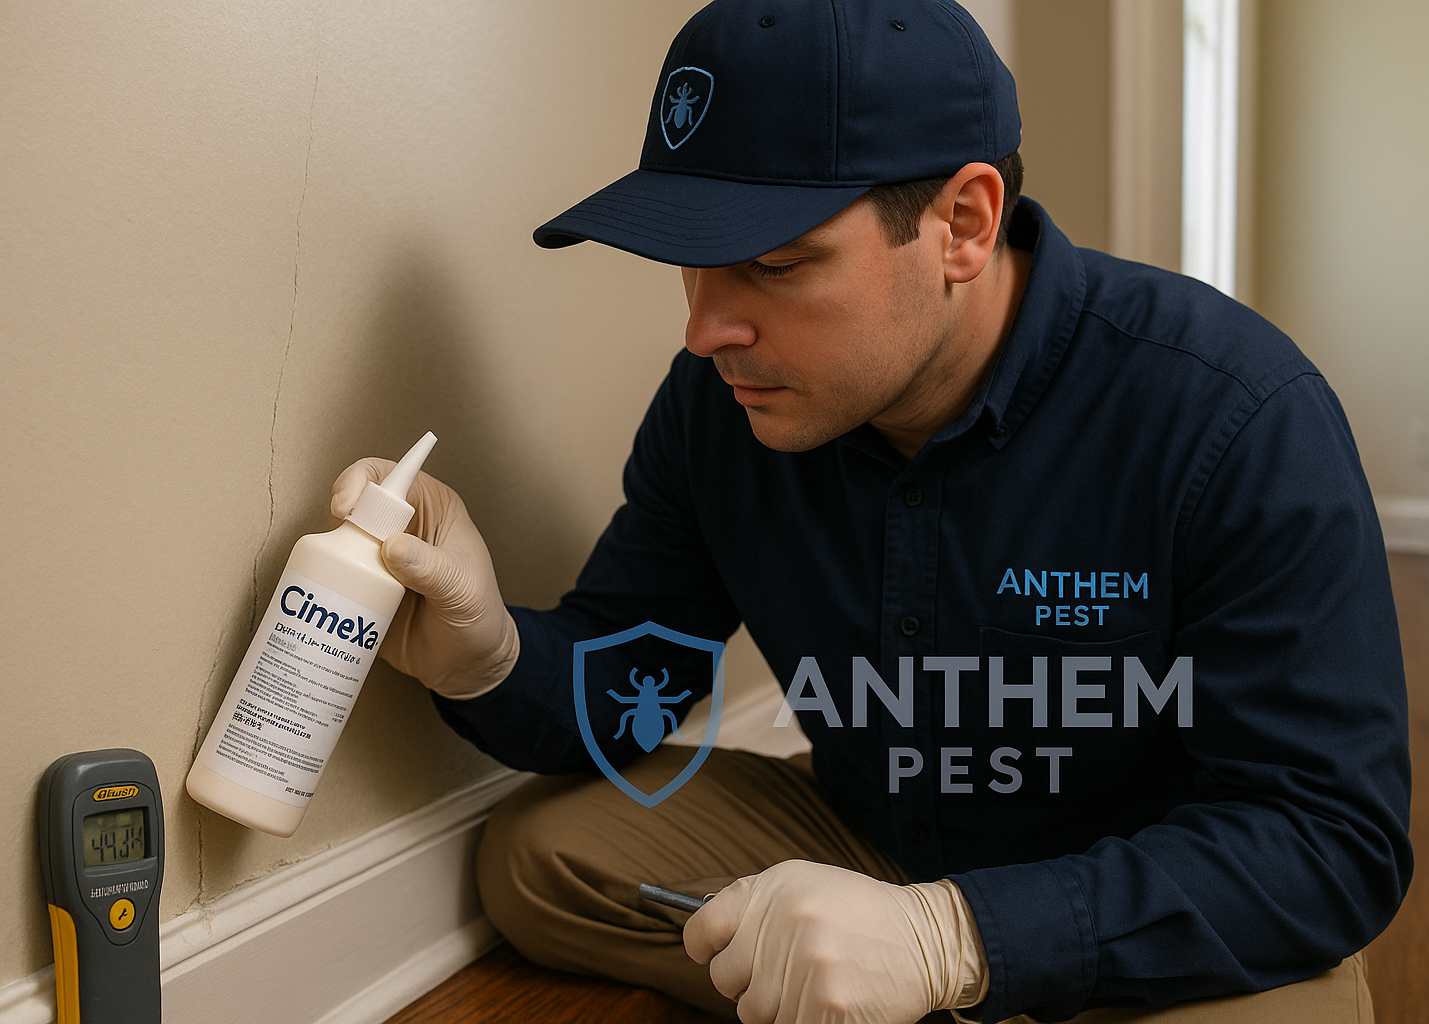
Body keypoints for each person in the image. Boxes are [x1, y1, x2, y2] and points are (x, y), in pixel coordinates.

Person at [331, 1, 1411, 1021]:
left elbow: (1330, 839)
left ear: (963, 225)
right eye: (691, 265)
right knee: (539, 858)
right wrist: (489, 653)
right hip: (872, 838)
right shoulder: (720, 410)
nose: (706, 331)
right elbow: (633, 678)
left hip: (1144, 898)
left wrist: (956, 938)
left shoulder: (1236, 413)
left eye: (773, 263)